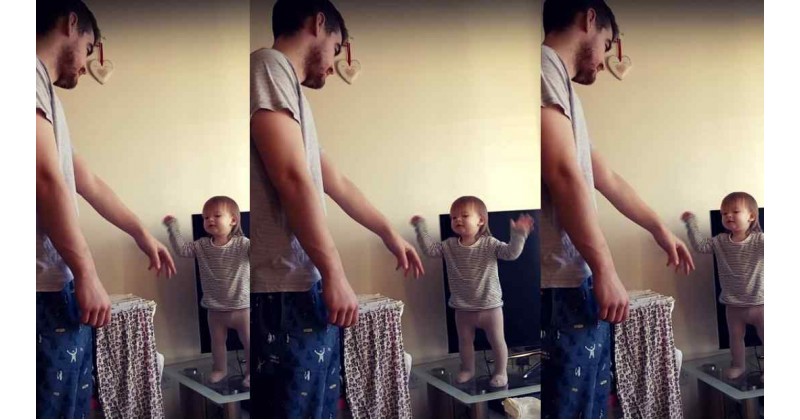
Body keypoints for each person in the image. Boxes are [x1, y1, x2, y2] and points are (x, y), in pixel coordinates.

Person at [249, 0, 424, 417]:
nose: (333, 65)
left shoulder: (291, 95)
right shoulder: (268, 66)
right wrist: (335, 273)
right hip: (280, 293)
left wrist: (388, 232)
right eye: (337, 47)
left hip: (297, 287)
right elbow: (293, 178)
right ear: (318, 23)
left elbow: (335, 182)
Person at [539, 0, 695, 417]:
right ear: (589, 18)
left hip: (574, 279)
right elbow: (563, 175)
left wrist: (658, 228)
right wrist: (605, 268)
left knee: (590, 407)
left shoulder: (561, 86)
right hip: (559, 284)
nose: (604, 61)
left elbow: (602, 175)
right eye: (607, 44)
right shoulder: (543, 70)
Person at [36, 1, 176, 417]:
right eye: (89, 48)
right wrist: (87, 273)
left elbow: (86, 180)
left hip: (50, 286)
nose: (85, 65)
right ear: (71, 24)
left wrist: (140, 232)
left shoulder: (43, 93)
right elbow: (45, 179)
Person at [411, 196, 533, 388]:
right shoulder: (449, 245)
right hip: (462, 308)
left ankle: (501, 371)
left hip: (490, 307)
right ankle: (468, 369)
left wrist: (518, 235)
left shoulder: (489, 244)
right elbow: (430, 250)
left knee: (497, 341)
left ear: (480, 220)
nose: (457, 220)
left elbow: (511, 253)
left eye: (464, 215)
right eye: (453, 217)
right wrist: (421, 229)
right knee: (465, 342)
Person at [164, 196, 250, 387]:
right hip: (214, 309)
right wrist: (173, 228)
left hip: (242, 307)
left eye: (217, 216)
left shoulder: (243, 244)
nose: (210, 219)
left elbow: (260, 254)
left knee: (249, 342)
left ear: (233, 220)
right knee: (217, 342)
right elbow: (182, 250)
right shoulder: (202, 245)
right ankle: (220, 369)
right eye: (205, 217)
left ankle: (251, 372)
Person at [681, 192, 764, 380]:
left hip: (760, 303)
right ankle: (738, 365)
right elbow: (700, 246)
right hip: (733, 305)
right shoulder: (720, 241)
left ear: (751, 216)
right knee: (735, 337)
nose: (728, 216)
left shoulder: (760, 240)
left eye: (735, 211)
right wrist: (691, 223)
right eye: (724, 213)